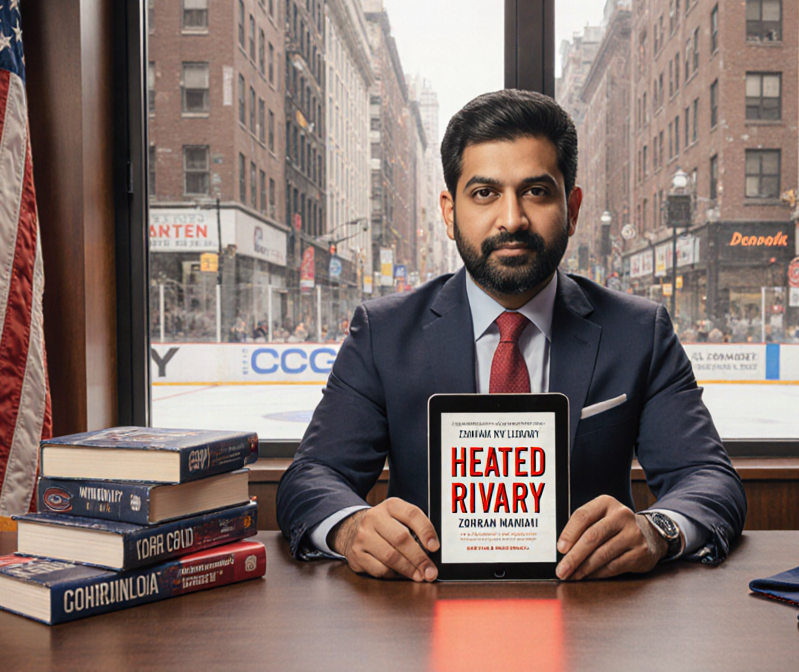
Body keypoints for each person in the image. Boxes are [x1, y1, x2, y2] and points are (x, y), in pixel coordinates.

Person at [276, 89, 745, 583]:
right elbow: (310, 479)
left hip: (594, 619)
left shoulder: (639, 332)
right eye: (484, 194)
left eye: (537, 192)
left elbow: (710, 480)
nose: (513, 219)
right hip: (423, 615)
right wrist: (350, 529)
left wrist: (658, 531)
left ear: (574, 207)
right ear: (449, 211)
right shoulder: (383, 333)